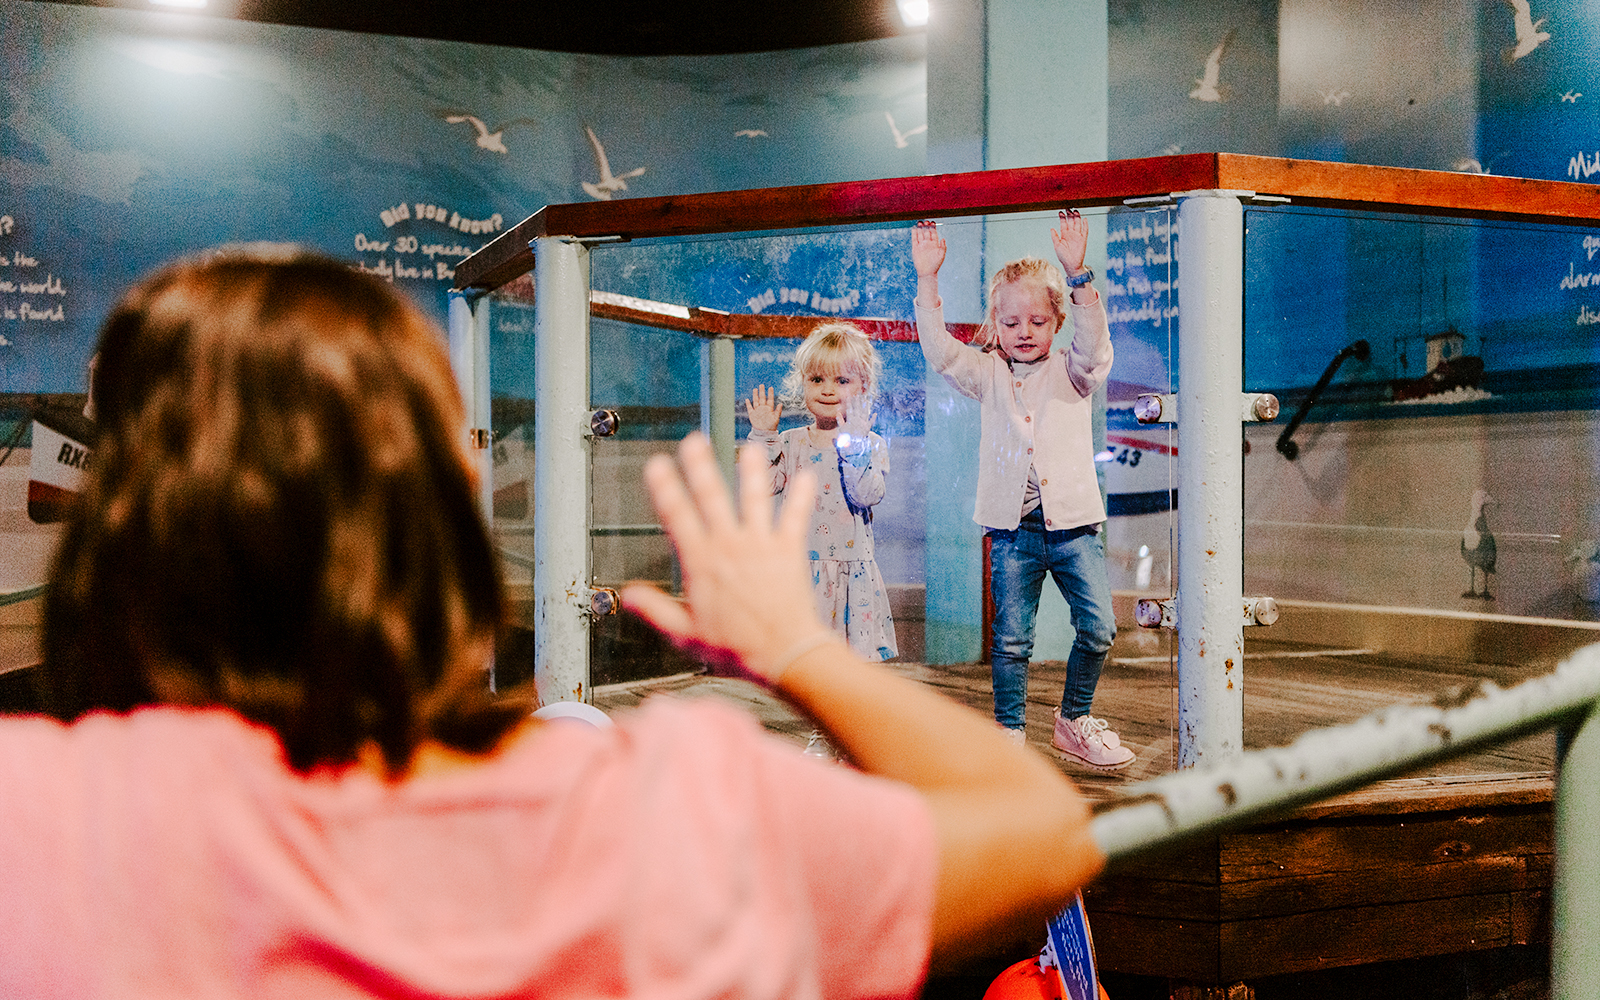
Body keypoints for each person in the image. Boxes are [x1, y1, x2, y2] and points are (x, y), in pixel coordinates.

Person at [2, 249, 1103, 998]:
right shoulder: (659, 822)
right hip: (779, 672)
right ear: (438, 527)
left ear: (120, 531)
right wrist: (798, 649)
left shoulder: (34, 818)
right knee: (573, 725)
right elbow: (1041, 831)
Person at [911, 212, 1134, 770]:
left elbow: (1096, 347)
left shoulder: (1073, 370)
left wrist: (1077, 274)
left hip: (1075, 528)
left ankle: (1074, 719)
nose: (1025, 331)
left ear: (1057, 322)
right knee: (1012, 641)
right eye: (1012, 323)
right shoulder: (987, 373)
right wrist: (928, 278)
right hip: (1013, 533)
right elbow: (939, 351)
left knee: (1099, 628)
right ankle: (1009, 734)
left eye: (1037, 319)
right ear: (997, 324)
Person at [747, 322, 896, 662]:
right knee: (808, 661)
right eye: (817, 379)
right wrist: (763, 436)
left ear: (863, 386)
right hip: (802, 571)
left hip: (850, 571)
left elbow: (867, 494)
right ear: (803, 382)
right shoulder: (791, 441)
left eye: (842, 380)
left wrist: (855, 446)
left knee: (853, 666)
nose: (828, 390)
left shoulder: (870, 443)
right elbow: (763, 486)